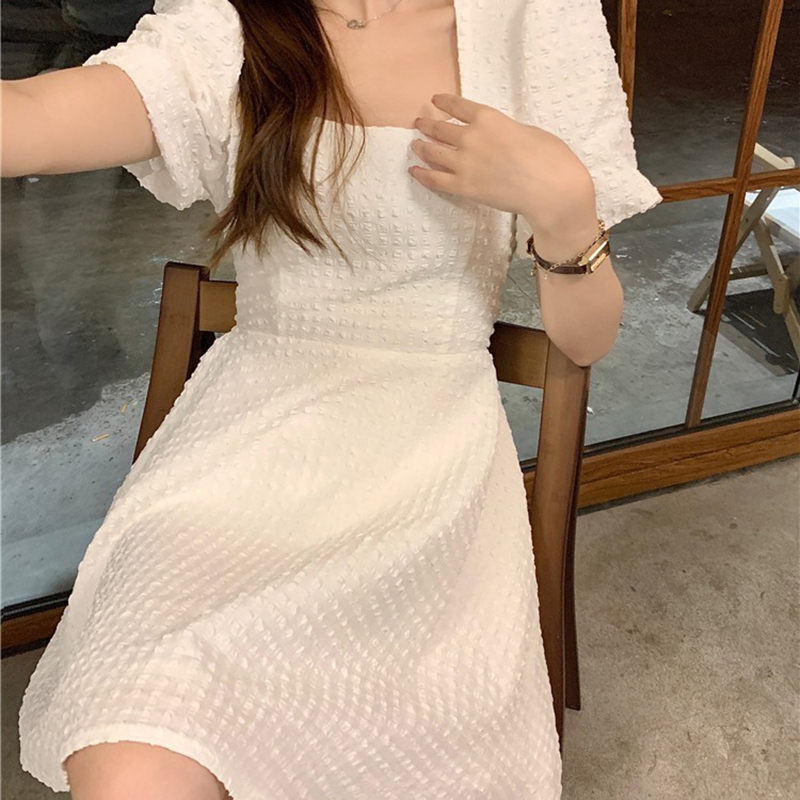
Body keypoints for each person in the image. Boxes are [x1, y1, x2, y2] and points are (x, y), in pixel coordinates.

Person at [3, 1, 662, 797]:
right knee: (135, 744)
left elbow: (584, 341)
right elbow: (31, 116)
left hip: (426, 464)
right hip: (243, 451)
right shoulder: (231, 26)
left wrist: (564, 203)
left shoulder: (534, 22)